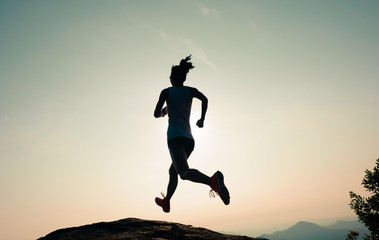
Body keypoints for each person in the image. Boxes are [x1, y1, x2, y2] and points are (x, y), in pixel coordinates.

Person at [153, 55, 230, 213]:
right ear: (184, 78)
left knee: (183, 173)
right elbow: (205, 99)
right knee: (173, 171)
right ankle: (166, 202)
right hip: (189, 139)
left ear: (171, 78)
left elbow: (155, 114)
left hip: (174, 138)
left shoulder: (166, 92)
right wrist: (202, 119)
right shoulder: (190, 91)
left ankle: (212, 181)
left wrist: (164, 111)